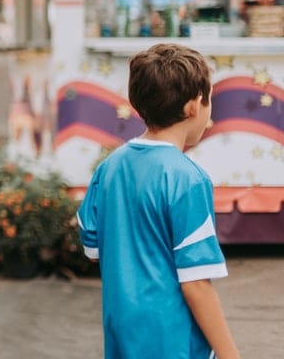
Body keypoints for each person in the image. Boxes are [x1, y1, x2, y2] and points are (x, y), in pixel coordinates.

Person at [78, 43, 240, 359]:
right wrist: (230, 354)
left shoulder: (108, 168)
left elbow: (93, 249)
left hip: (122, 335)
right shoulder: (189, 179)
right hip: (174, 342)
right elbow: (196, 284)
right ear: (195, 106)